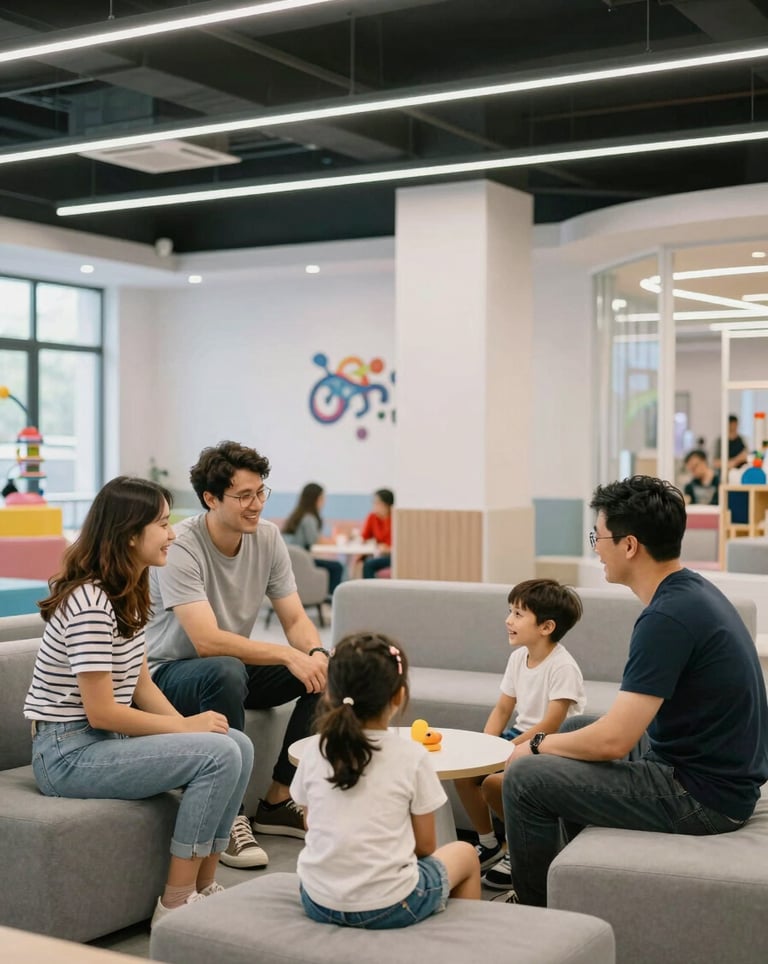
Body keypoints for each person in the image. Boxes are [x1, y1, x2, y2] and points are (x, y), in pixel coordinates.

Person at [501, 475, 768, 907]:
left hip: (704, 797)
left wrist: (536, 745)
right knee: (578, 726)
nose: (595, 547)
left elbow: (615, 741)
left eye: (598, 536)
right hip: (717, 772)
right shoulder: (691, 591)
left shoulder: (666, 618)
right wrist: (552, 742)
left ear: (629, 545)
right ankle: (573, 874)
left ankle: (537, 913)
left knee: (525, 776)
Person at [23, 476, 254, 926]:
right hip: (65, 754)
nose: (172, 534)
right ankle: (176, 902)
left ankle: (205, 889)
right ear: (130, 534)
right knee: (218, 754)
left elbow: (143, 685)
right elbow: (103, 711)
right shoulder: (90, 602)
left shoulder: (129, 591)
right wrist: (187, 729)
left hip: (97, 742)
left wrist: (196, 725)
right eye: (163, 524)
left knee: (236, 745)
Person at [145, 441, 328, 870]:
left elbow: (296, 619)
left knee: (329, 668)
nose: (255, 505)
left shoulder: (267, 538)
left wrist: (315, 652)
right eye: (243, 496)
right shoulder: (182, 547)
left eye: (260, 492)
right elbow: (206, 640)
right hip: (169, 675)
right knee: (226, 669)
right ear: (210, 499)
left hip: (229, 669)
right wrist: (285, 656)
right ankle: (231, 818)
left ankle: (278, 799)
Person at [290, 633, 481, 928]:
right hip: (391, 905)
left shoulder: (315, 749)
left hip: (317, 899)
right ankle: (459, 945)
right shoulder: (412, 756)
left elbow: (310, 823)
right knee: (466, 854)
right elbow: (426, 846)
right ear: (398, 696)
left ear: (330, 695)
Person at [454, 579, 585, 891]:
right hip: (519, 735)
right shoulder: (518, 658)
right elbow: (502, 709)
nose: (508, 620)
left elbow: (551, 724)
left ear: (546, 626)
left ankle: (518, 850)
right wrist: (485, 745)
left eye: (517, 614)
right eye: (509, 611)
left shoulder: (562, 666)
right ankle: (488, 844)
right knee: (464, 772)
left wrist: (504, 750)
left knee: (494, 783)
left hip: (552, 744)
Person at [282, 482, 343, 595]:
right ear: (316, 499)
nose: (324, 502)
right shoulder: (309, 518)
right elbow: (314, 540)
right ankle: (330, 599)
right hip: (302, 561)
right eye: (322, 498)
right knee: (337, 567)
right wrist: (332, 541)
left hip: (292, 560)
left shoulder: (299, 515)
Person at [361, 488, 394, 579]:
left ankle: (370, 591)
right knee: (362, 560)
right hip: (378, 553)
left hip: (393, 555)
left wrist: (388, 548)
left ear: (386, 504)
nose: (374, 505)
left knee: (369, 564)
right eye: (374, 502)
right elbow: (364, 537)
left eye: (377, 503)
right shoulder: (372, 517)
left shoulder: (395, 518)